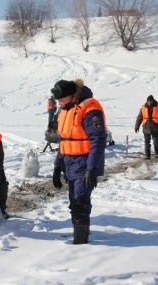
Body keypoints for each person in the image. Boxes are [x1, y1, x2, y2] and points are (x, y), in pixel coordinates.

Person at [51, 79, 106, 244]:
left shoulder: (90, 109)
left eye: (61, 99)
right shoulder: (65, 109)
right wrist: (57, 166)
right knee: (74, 200)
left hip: (84, 161)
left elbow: (98, 140)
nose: (58, 103)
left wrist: (92, 168)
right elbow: (65, 140)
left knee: (80, 201)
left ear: (71, 95)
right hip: (68, 161)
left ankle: (81, 244)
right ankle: (79, 236)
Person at [134, 95, 158, 159]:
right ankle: (147, 156)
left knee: (156, 142)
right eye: (148, 101)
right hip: (146, 127)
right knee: (147, 142)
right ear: (147, 101)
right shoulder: (143, 108)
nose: (149, 102)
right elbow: (139, 118)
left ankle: (156, 153)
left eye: (150, 101)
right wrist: (136, 127)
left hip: (155, 127)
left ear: (153, 101)